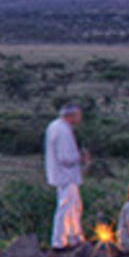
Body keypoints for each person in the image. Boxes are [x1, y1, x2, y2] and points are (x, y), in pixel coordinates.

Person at [44, 103, 89, 248]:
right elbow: (65, 157)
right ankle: (60, 240)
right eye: (78, 115)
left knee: (73, 206)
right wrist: (80, 158)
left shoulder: (55, 126)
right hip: (66, 175)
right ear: (71, 116)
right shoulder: (62, 130)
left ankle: (73, 236)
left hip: (62, 175)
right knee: (66, 207)